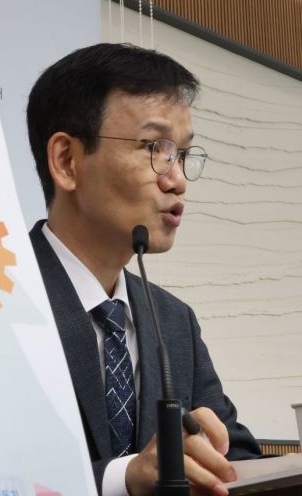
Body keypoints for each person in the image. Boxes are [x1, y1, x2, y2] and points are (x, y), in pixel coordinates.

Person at [26, 43, 261, 496]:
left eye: (183, 155)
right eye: (155, 148)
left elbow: (237, 459)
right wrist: (123, 477)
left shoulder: (173, 319)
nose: (177, 180)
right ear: (67, 161)